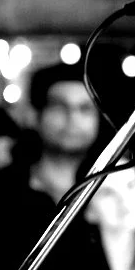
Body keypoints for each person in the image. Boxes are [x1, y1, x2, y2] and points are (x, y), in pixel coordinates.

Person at [25, 61, 101, 204]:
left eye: (85, 108)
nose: (72, 118)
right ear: (35, 116)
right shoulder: (1, 188)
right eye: (59, 106)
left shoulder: (117, 189)